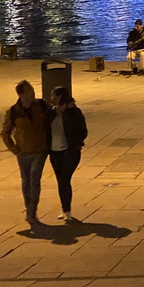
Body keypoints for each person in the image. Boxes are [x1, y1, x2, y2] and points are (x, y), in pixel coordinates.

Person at [0, 80, 53, 224]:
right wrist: (14, 149)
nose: (33, 93)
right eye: (29, 91)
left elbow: (54, 117)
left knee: (34, 179)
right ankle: (28, 206)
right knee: (26, 180)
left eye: (32, 90)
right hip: (23, 151)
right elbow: (5, 133)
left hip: (40, 150)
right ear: (21, 94)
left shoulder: (42, 106)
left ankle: (32, 210)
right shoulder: (13, 111)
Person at [48, 86, 88, 222]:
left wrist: (76, 143)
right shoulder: (51, 112)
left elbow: (83, 131)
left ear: (59, 97)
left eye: (53, 95)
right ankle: (65, 210)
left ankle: (67, 211)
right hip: (54, 152)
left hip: (70, 151)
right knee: (61, 181)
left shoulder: (73, 112)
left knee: (64, 179)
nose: (51, 98)